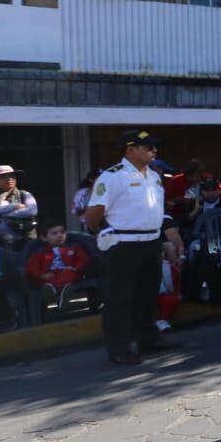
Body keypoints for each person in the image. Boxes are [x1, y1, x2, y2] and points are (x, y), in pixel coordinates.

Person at [84, 130, 172, 365]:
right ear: (130, 149)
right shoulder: (112, 177)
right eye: (148, 147)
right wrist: (102, 234)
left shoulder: (154, 176)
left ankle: (147, 339)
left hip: (151, 242)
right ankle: (119, 348)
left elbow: (154, 210)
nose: (154, 151)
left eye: (154, 147)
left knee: (147, 295)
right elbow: (93, 215)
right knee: (119, 299)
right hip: (123, 245)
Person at [0, 165, 38, 247]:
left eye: (11, 176)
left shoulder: (24, 194)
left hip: (24, 242)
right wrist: (14, 206)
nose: (9, 178)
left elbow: (32, 211)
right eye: (3, 177)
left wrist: (2, 214)